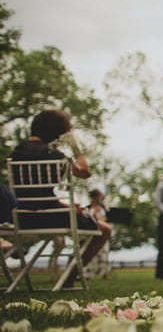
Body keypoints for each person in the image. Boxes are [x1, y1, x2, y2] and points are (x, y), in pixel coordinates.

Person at [9, 109, 112, 288]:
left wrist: (66, 206)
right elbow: (85, 172)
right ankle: (70, 279)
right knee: (104, 230)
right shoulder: (54, 156)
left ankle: (66, 278)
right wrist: (75, 147)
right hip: (50, 217)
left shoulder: (15, 154)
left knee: (80, 217)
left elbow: (35, 198)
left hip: (22, 217)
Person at [85, 189, 112, 279]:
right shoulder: (89, 207)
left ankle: (104, 272)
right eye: (99, 196)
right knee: (91, 251)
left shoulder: (102, 207)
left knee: (104, 252)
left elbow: (104, 218)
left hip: (103, 230)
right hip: (95, 231)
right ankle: (87, 273)